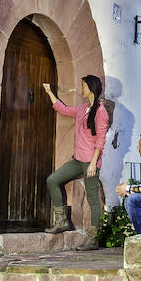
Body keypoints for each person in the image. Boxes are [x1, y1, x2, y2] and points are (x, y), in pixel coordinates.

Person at [41, 75, 110, 233]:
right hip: (78, 160)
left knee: (92, 199)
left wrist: (93, 163)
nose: (81, 89)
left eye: (83, 86)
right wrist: (49, 92)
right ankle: (62, 221)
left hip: (90, 162)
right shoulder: (82, 109)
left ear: (91, 88)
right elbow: (64, 109)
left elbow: (100, 140)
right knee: (52, 180)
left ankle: (92, 238)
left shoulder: (101, 112)